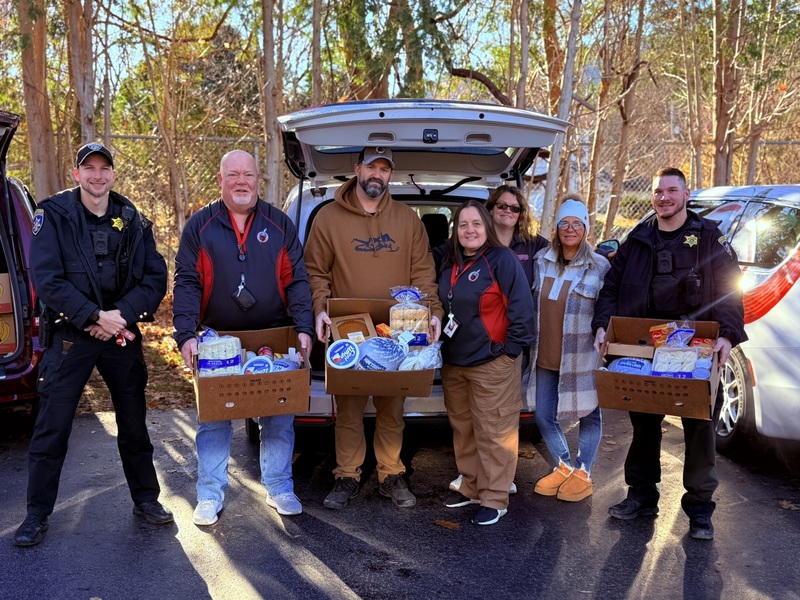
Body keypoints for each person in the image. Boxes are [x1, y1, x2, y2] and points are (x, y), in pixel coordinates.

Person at [14, 142, 171, 547]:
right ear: (76, 173)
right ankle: (36, 514)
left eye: (104, 168)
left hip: (120, 333)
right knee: (52, 427)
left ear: (113, 174)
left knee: (134, 423)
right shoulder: (54, 215)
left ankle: (147, 499)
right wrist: (94, 316)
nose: (97, 175)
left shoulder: (131, 217)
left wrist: (118, 315)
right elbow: (46, 278)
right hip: (71, 336)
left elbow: (155, 277)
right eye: (89, 168)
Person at [592, 167, 747, 540]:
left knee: (699, 430)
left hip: (696, 351)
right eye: (658, 191)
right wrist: (602, 325)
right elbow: (611, 286)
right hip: (644, 349)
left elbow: (731, 288)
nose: (664, 197)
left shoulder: (708, 238)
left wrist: (727, 335)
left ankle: (699, 511)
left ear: (686, 195)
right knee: (644, 429)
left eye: (671, 190)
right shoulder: (638, 239)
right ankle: (641, 497)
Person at [173, 149, 314, 526]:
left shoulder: (279, 224)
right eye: (233, 174)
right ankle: (209, 493)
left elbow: (297, 281)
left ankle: (279, 485)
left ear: (257, 180)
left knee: (279, 418)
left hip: (274, 336)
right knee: (214, 420)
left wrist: (303, 328)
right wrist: (185, 334)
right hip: (217, 339)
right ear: (220, 180)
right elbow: (186, 281)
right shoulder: (199, 226)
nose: (241, 181)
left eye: (248, 175)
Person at [304, 146, 443, 510]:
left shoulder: (407, 220)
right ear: (357, 169)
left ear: (390, 175)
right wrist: (320, 310)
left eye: (384, 168)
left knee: (391, 406)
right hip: (348, 331)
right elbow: (316, 272)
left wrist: (432, 312)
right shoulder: (328, 218)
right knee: (348, 408)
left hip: (398, 332)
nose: (377, 174)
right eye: (371, 167)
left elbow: (424, 274)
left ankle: (391, 474)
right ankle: (347, 475)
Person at [443, 185, 548, 496]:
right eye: (463, 225)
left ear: (486, 226)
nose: (470, 230)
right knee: (464, 432)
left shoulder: (501, 259)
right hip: (454, 364)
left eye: (476, 224)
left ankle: (495, 498)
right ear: (456, 231)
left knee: (494, 434)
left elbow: (523, 312)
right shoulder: (450, 261)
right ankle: (471, 488)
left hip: (493, 363)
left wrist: (508, 353)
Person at [527, 197, 610, 502]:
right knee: (543, 415)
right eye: (565, 223)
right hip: (546, 354)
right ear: (557, 228)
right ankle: (565, 466)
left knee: (589, 413)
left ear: (586, 228)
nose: (570, 228)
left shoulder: (600, 266)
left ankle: (584, 472)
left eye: (577, 223)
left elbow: (607, 308)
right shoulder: (541, 261)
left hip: (582, 356)